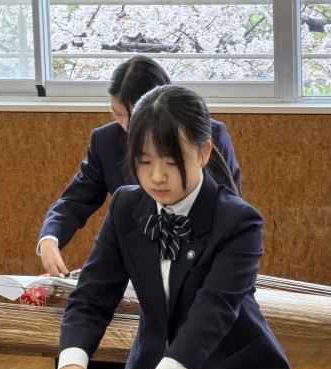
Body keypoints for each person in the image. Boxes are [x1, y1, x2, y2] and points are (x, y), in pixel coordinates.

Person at [55, 84, 298, 369]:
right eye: (144, 161)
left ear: (204, 153)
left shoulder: (238, 221)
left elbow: (211, 315)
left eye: (171, 162)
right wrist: (72, 366)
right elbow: (92, 297)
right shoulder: (125, 206)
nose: (156, 176)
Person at [38, 55, 242, 278]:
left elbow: (228, 207)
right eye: (117, 114)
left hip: (200, 262)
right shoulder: (106, 141)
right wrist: (50, 238)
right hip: (136, 269)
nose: (127, 126)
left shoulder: (205, 135)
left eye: (134, 115)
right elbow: (75, 200)